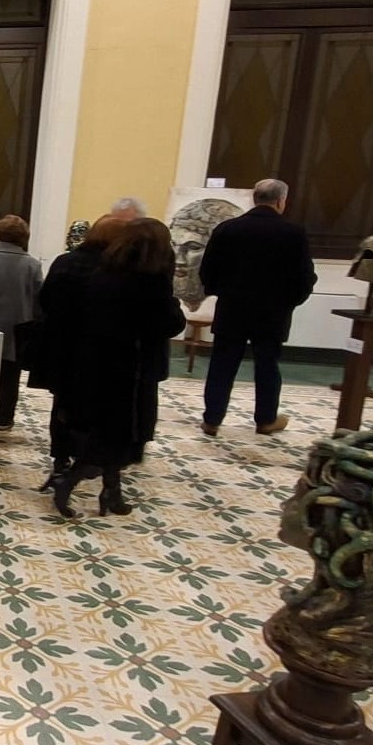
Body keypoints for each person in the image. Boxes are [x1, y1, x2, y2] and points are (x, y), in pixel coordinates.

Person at [48, 218, 184, 518]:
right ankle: (69, 481)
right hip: (132, 371)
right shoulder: (152, 282)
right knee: (118, 438)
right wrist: (173, 303)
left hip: (98, 364)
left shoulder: (105, 274)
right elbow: (169, 324)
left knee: (107, 431)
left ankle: (112, 492)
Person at [198, 178, 314, 436]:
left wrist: (220, 292)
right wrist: (291, 301)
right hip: (273, 312)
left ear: (254, 198)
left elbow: (208, 270)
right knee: (267, 365)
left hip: (232, 308)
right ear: (282, 201)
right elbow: (304, 276)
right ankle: (265, 419)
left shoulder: (228, 229)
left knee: (222, 365)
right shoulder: (293, 232)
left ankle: (212, 419)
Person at [35, 215, 122, 489]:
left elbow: (45, 299)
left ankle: (60, 459)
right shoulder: (114, 268)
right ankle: (87, 461)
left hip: (61, 347)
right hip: (96, 351)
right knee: (92, 408)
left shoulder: (65, 261)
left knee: (61, 405)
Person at [0, 214, 42, 429]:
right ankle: (5, 415)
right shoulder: (32, 265)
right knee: (10, 375)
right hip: (18, 327)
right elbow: (37, 296)